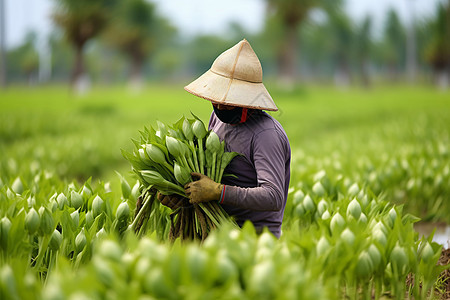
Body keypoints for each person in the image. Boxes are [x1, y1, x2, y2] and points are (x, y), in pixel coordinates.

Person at [159, 39, 291, 238]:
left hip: (256, 239)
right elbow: (207, 180)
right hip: (217, 233)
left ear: (246, 100)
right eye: (217, 99)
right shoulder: (218, 118)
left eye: (228, 102)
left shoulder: (266, 135)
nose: (220, 107)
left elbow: (273, 196)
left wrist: (218, 191)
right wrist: (182, 197)